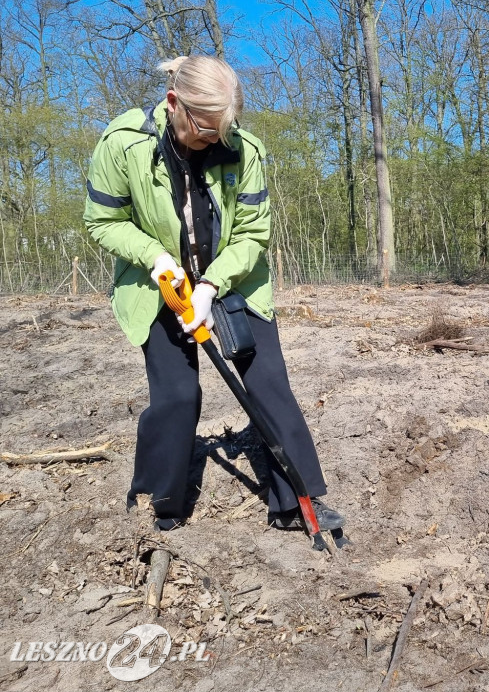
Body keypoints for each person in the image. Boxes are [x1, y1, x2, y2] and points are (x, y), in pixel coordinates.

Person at [84, 54, 344, 535]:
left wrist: (210, 284)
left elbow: (252, 234)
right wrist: (156, 258)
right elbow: (102, 221)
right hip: (156, 283)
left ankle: (299, 502)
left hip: (233, 277)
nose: (212, 141)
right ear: (173, 104)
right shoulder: (124, 144)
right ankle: (162, 501)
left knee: (267, 382)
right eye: (203, 130)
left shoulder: (246, 151)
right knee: (177, 395)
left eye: (222, 131)